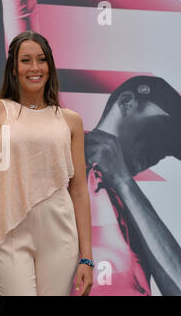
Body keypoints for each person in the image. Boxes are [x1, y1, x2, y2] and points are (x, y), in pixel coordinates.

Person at [0, 31, 93, 296]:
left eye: (41, 60)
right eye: (26, 60)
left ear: (50, 66)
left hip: (60, 236)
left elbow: (78, 189)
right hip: (8, 234)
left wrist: (87, 257)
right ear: (13, 67)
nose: (35, 68)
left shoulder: (71, 121)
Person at [85, 76, 181, 295]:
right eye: (161, 132)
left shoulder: (133, 209)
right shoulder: (57, 157)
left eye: (167, 149)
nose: (158, 154)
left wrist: (124, 183)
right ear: (127, 103)